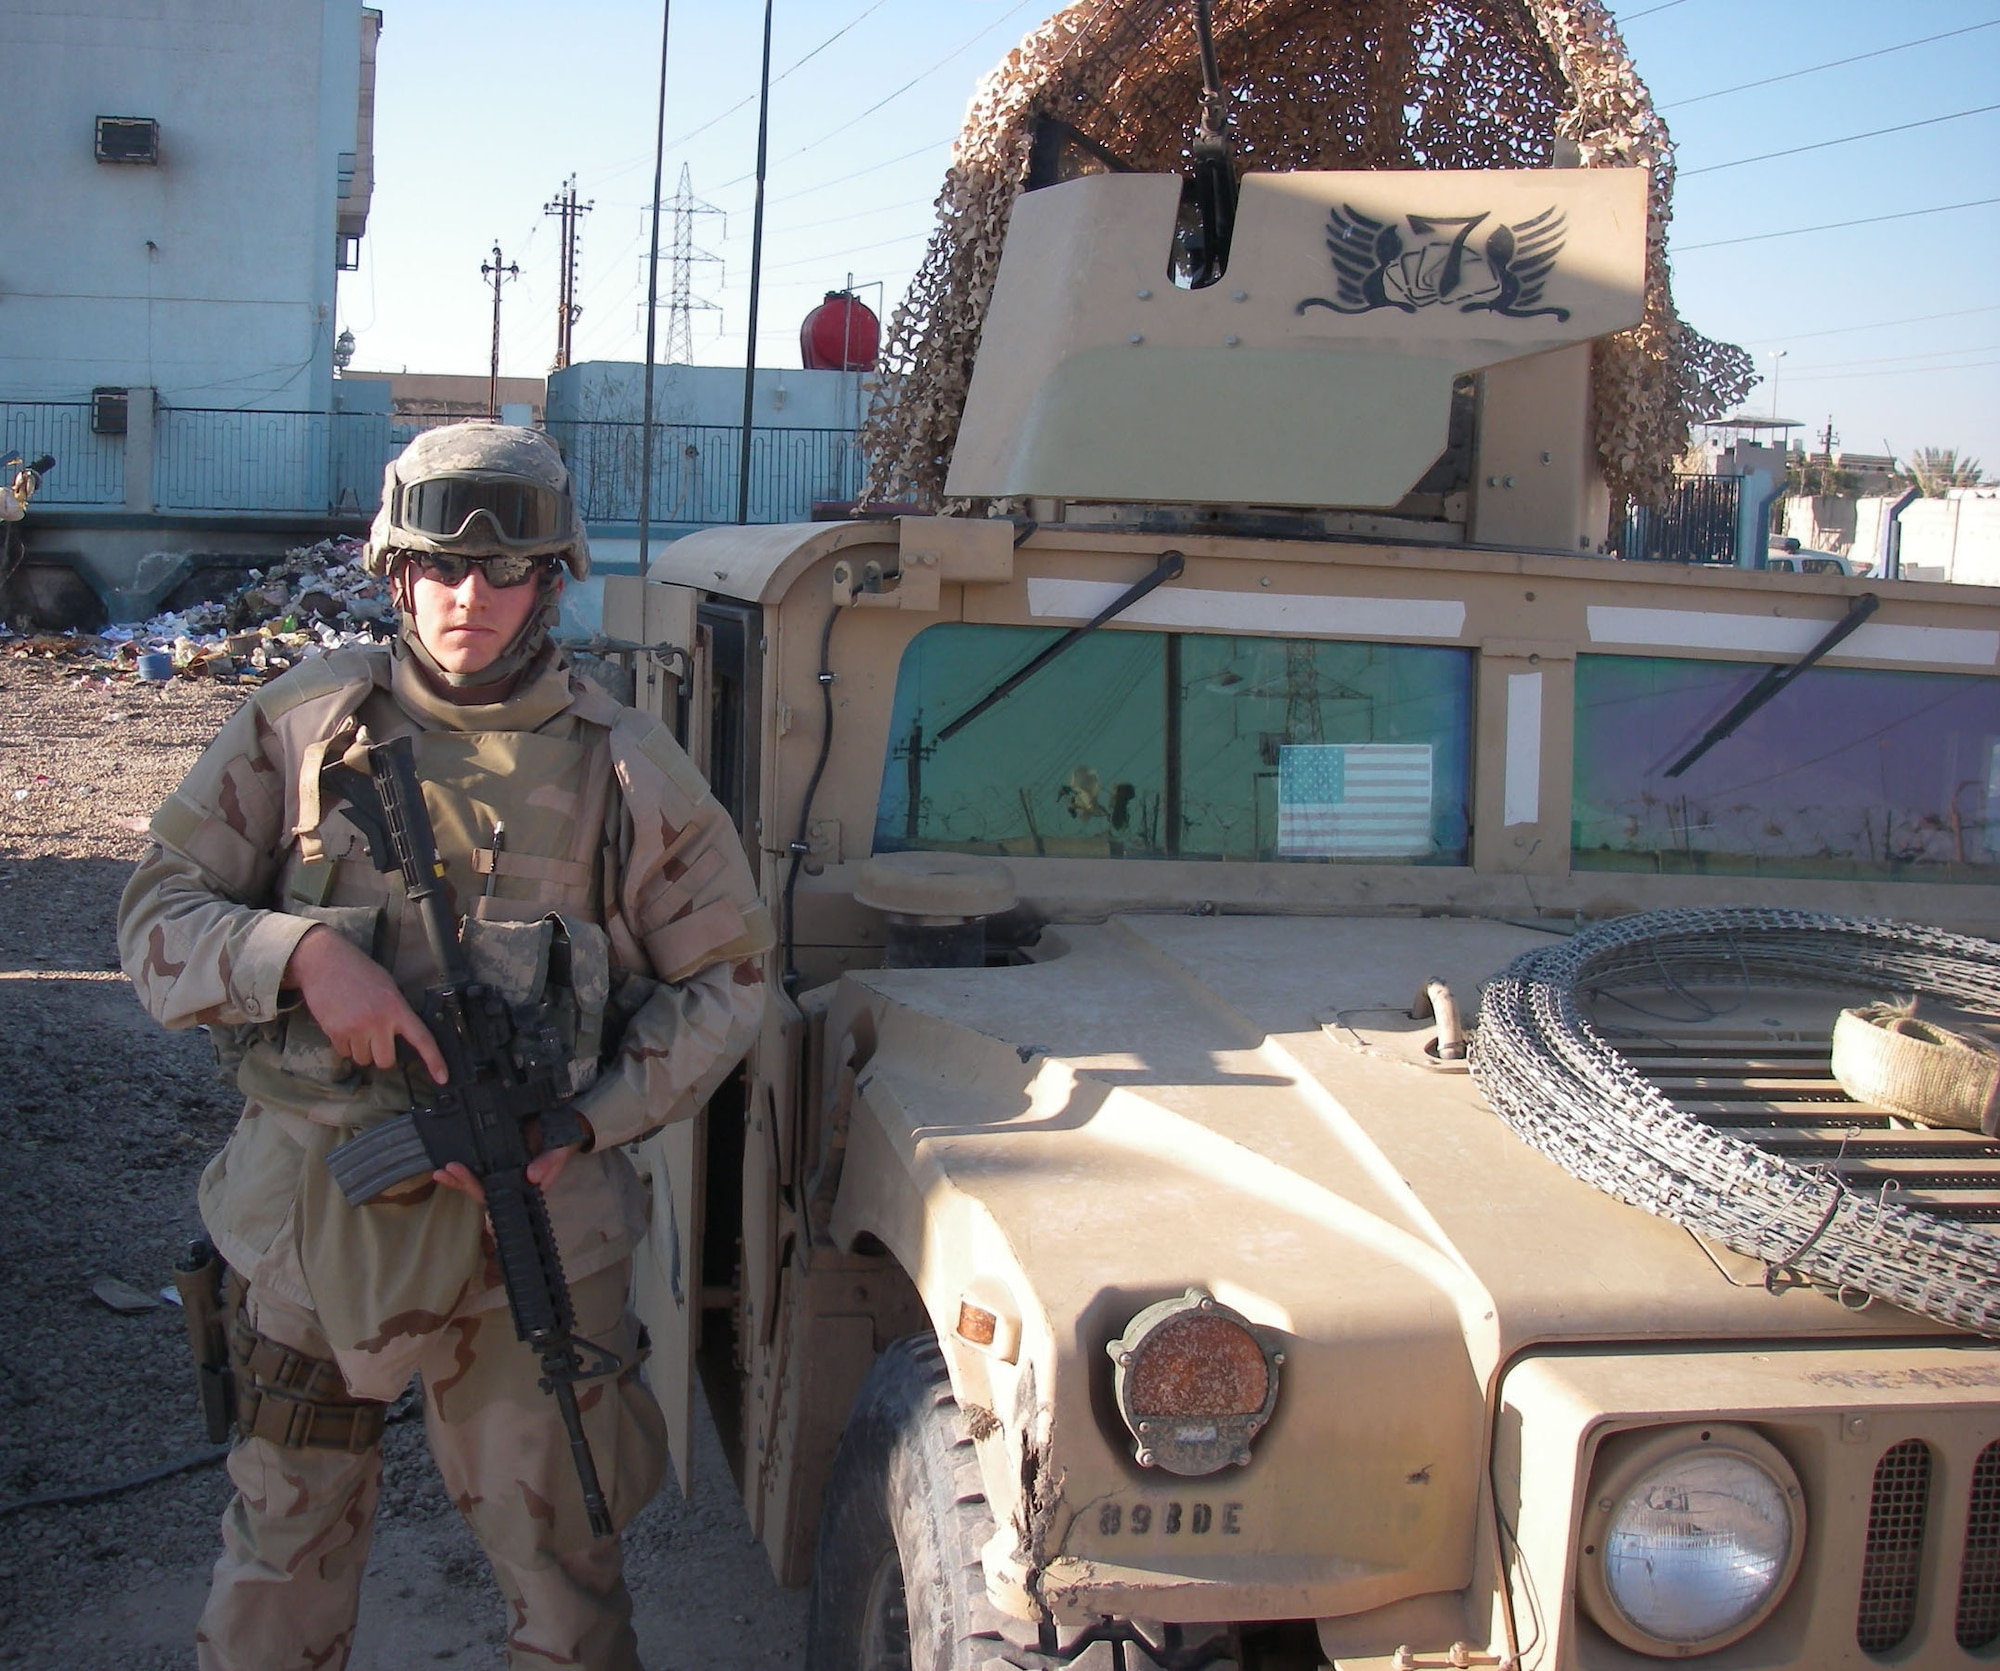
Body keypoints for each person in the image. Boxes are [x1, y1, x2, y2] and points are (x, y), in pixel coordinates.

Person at [118, 423, 771, 1671]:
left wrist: (586, 1121)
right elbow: (156, 919)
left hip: (532, 1230)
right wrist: (302, 956)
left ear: (550, 582)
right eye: (438, 569)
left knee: (563, 1564)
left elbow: (727, 981)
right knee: (281, 1548)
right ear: (394, 572)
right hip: (312, 1218)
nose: (469, 598)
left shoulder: (626, 767)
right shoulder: (303, 728)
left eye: (504, 572)